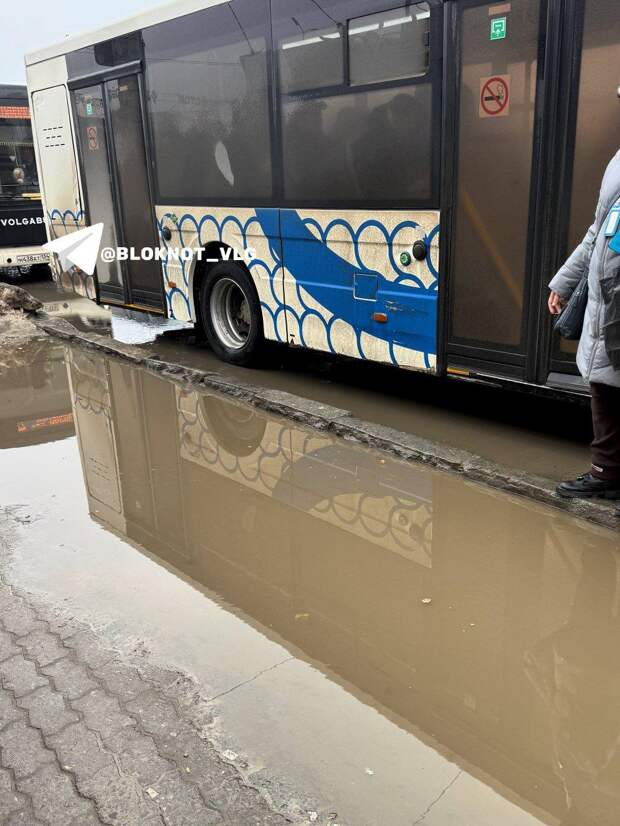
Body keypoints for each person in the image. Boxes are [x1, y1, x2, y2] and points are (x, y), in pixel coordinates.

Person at [549, 149, 620, 499]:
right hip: (607, 297)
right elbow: (597, 231)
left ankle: (608, 472)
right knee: (604, 384)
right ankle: (607, 472)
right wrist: (564, 282)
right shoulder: (617, 162)